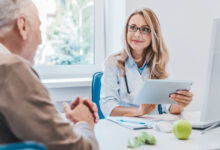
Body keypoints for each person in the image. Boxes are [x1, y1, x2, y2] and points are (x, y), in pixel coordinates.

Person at [0, 0, 99, 150]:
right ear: (22, 26)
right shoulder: (11, 69)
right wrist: (84, 122)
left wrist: (59, 124)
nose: (40, 40)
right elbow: (81, 148)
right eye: (39, 28)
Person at [100, 8, 194, 117]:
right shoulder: (112, 63)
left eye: (144, 29)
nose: (137, 34)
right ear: (126, 31)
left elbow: (168, 106)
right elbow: (107, 106)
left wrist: (180, 103)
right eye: (132, 27)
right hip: (123, 126)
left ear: (154, 35)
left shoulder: (160, 62)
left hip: (152, 127)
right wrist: (139, 112)